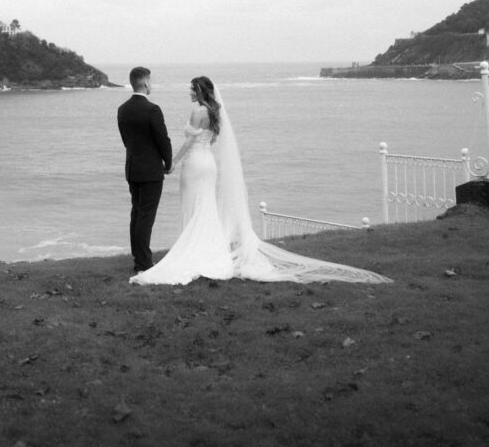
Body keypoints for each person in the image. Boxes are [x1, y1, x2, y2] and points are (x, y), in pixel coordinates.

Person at [130, 76, 392, 286]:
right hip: (209, 163)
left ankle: (191, 249)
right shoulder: (214, 111)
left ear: (199, 91)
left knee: (192, 206)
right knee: (205, 207)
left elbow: (189, 141)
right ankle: (207, 249)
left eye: (192, 88)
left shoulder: (197, 110)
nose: (189, 92)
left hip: (194, 165)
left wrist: (173, 162)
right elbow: (213, 140)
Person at [117, 66, 173, 273]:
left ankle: (138, 258)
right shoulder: (152, 110)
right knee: (146, 217)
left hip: (132, 169)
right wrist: (168, 163)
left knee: (137, 214)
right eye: (151, 81)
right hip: (150, 171)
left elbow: (126, 140)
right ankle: (144, 263)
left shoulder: (122, 109)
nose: (152, 84)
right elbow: (162, 140)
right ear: (146, 83)